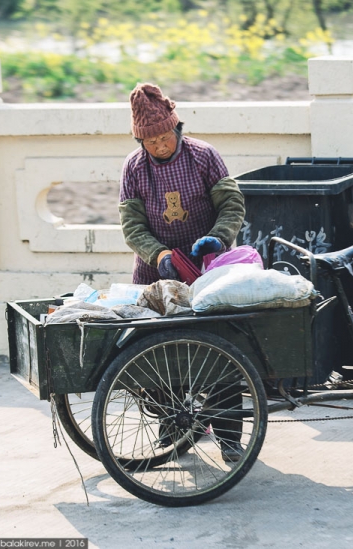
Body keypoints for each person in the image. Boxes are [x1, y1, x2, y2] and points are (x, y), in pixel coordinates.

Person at [119, 82, 245, 462]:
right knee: (161, 355)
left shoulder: (204, 156)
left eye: (164, 137)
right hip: (156, 273)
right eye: (150, 140)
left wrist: (218, 239)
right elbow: (132, 226)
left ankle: (229, 437)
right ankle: (174, 428)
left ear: (177, 128)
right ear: (140, 141)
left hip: (207, 269)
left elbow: (231, 204)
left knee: (220, 355)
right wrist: (157, 255)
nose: (159, 145)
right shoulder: (134, 168)